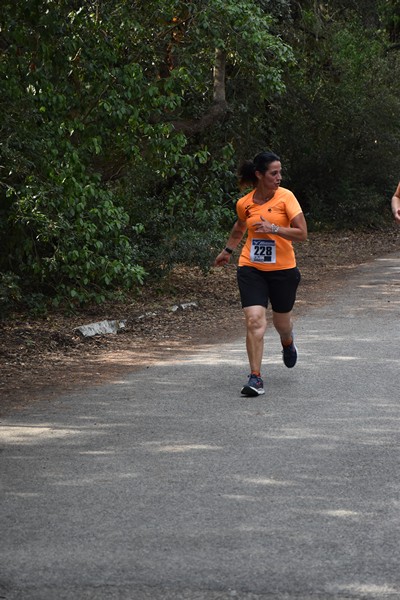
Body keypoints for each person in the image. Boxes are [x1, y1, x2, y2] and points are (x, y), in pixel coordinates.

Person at [214, 151, 308, 397]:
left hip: (283, 270)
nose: (279, 177)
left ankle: (287, 342)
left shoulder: (286, 197)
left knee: (281, 324)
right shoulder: (244, 203)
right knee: (255, 320)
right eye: (273, 173)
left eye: (280, 173)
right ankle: (255, 377)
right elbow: (239, 227)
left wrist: (274, 228)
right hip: (251, 268)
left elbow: (302, 233)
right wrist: (227, 251)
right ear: (259, 175)